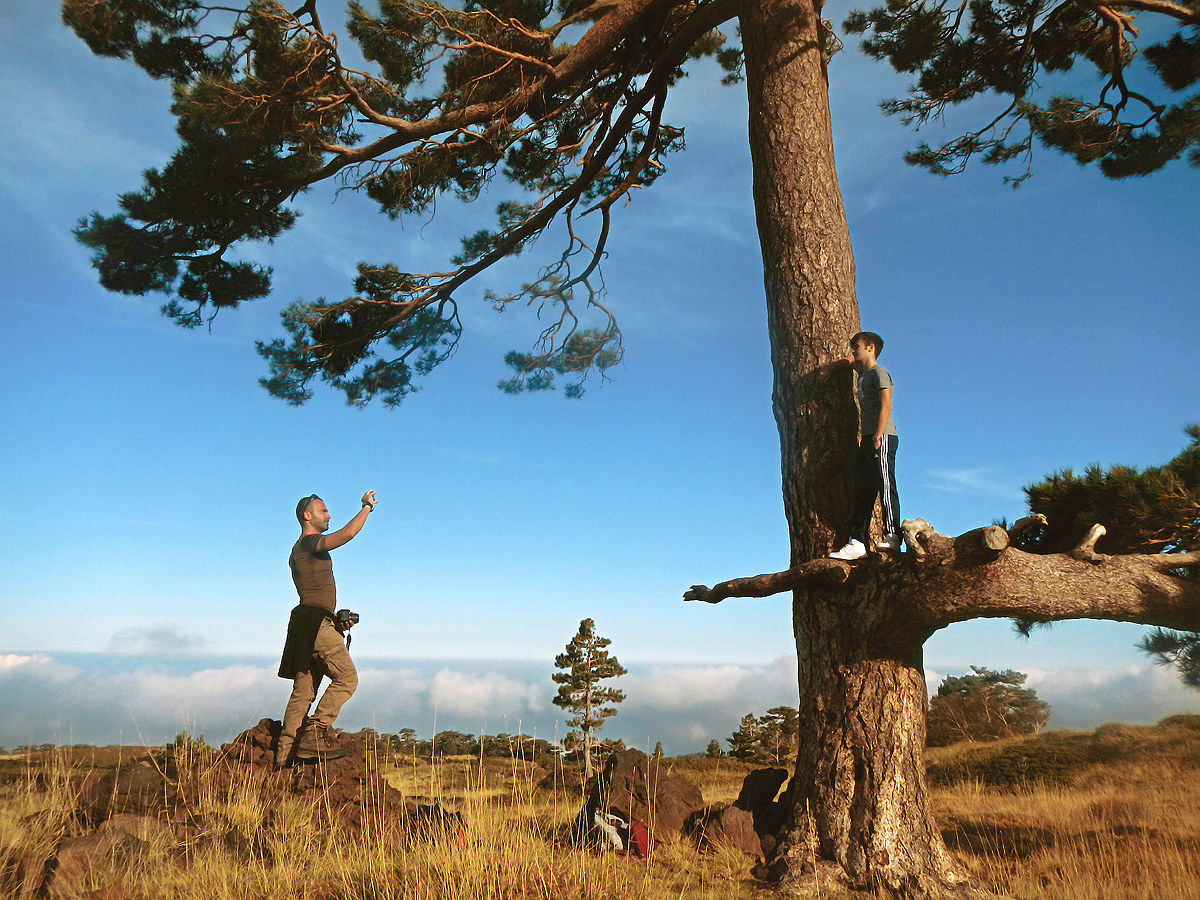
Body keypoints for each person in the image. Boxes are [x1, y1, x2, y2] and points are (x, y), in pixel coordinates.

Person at [274, 490, 376, 767]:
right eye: (324, 510)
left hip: (307, 625)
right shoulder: (308, 543)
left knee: (303, 693)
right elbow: (347, 535)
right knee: (347, 679)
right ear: (308, 516)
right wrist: (366, 508)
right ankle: (315, 734)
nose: (329, 515)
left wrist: (336, 619)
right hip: (316, 625)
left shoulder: (299, 549)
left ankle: (283, 760)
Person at [823, 332, 901, 560]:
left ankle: (893, 536)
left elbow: (886, 404)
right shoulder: (863, 373)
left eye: (856, 346)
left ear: (871, 348)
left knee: (885, 484)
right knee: (862, 491)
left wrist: (877, 436)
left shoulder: (879, 373)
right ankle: (857, 542)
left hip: (883, 436)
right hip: (868, 439)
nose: (852, 350)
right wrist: (830, 369)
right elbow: (849, 361)